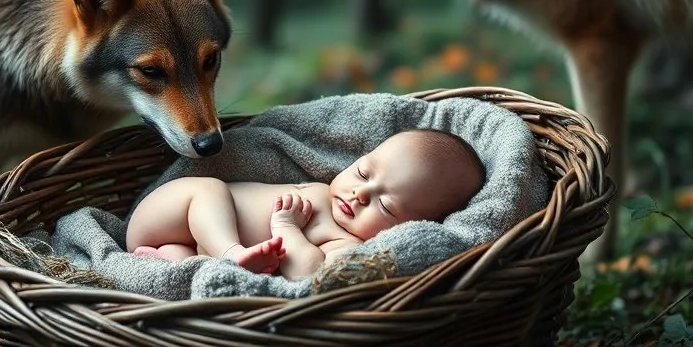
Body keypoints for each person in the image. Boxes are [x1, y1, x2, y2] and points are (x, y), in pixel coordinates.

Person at [125, 128, 485, 281]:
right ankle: (229, 252)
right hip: (174, 209)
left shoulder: (351, 246)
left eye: (386, 206)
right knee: (211, 191)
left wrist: (286, 230)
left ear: (408, 229)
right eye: (362, 172)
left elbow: (309, 274)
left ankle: (165, 269)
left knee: (192, 266)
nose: (361, 194)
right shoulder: (323, 188)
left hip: (178, 244)